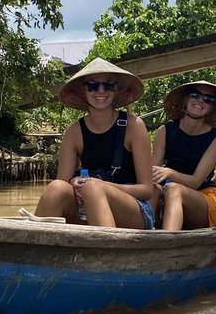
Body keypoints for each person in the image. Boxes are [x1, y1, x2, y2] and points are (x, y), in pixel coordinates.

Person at [34, 58, 155, 229]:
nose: (100, 90)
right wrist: (74, 181)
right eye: (93, 85)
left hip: (135, 210)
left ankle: (108, 251)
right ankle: (36, 250)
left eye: (108, 85)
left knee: (92, 188)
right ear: (84, 91)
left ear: (115, 90)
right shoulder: (74, 132)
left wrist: (101, 185)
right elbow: (63, 183)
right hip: (87, 206)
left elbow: (146, 190)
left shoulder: (134, 126)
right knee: (56, 188)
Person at [151, 80, 216, 231]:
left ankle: (167, 243)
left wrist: (169, 172)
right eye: (195, 95)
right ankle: (142, 234)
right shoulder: (164, 131)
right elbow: (153, 172)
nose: (200, 101)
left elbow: (196, 182)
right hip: (168, 192)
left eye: (208, 99)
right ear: (185, 99)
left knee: (173, 189)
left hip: (202, 198)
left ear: (211, 108)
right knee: (154, 188)